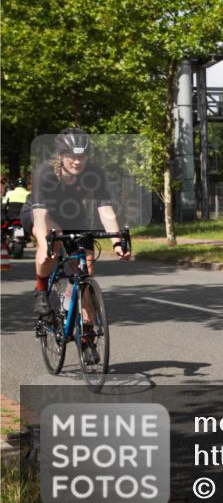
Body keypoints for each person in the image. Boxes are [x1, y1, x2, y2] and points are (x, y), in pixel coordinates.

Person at [31, 129, 131, 361]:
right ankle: (40, 289)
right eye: (71, 156)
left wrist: (117, 241)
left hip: (75, 218)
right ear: (61, 155)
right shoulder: (45, 172)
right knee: (51, 239)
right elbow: (39, 215)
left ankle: (86, 338)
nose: (77, 161)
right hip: (43, 214)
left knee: (86, 272)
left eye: (82, 157)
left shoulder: (94, 173)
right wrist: (44, 243)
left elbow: (105, 209)